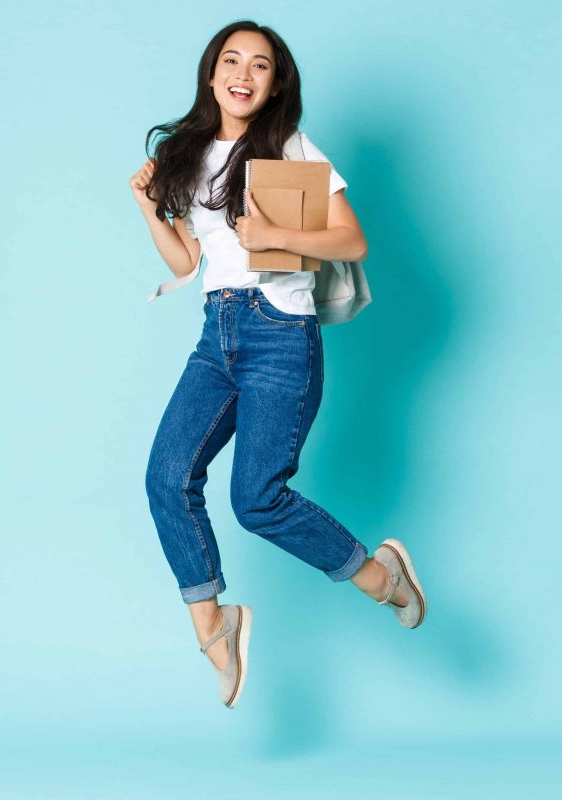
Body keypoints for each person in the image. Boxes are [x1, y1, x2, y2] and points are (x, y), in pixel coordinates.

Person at [129, 20, 427, 709]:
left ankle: (380, 576)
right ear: (211, 75)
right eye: (231, 60)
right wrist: (149, 207)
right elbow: (186, 261)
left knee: (256, 500)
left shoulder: (288, 148)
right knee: (167, 476)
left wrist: (277, 234)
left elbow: (352, 238)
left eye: (259, 65)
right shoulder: (191, 153)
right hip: (218, 333)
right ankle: (215, 624)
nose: (243, 73)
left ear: (274, 84)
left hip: (280, 336)